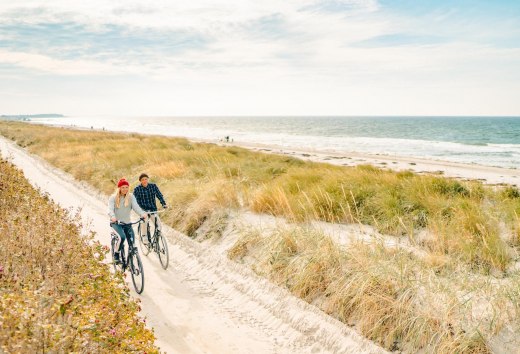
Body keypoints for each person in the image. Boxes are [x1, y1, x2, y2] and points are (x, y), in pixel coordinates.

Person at [108, 178, 147, 263]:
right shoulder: (113, 198)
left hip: (127, 223)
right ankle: (116, 254)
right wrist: (113, 217)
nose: (125, 189)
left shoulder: (131, 196)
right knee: (122, 237)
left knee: (132, 243)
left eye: (126, 187)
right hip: (116, 223)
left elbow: (136, 207)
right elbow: (110, 209)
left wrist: (142, 214)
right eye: (123, 187)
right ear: (119, 188)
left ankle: (130, 264)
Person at [133, 173, 167, 244]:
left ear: (148, 179)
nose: (145, 181)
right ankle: (144, 236)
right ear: (140, 181)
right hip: (143, 210)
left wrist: (163, 204)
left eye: (146, 179)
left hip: (152, 209)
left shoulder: (153, 186)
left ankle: (156, 239)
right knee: (144, 221)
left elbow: (159, 195)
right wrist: (139, 210)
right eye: (143, 180)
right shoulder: (137, 189)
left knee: (158, 225)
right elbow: (135, 201)